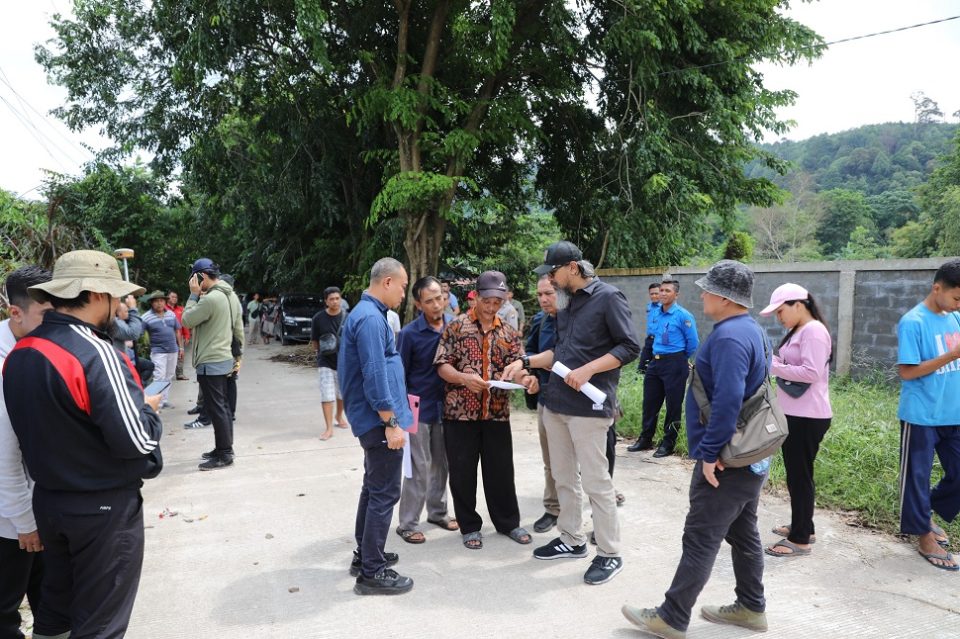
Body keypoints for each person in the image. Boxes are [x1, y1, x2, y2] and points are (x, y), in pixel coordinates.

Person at [4, 250, 163, 639]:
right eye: (114, 296)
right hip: (101, 509)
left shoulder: (21, 352)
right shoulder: (93, 351)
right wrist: (149, 409)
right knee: (100, 623)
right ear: (95, 295)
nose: (118, 306)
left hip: (51, 502)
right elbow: (137, 441)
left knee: (57, 611)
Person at [622, 259, 770, 638]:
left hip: (727, 460)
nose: (702, 294)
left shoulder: (730, 337)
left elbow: (728, 401)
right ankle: (752, 607)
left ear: (723, 297)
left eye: (707, 290)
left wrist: (709, 454)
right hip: (749, 457)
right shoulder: (750, 329)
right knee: (743, 532)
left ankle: (672, 616)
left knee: (700, 536)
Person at [504, 241, 640, 586]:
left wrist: (589, 370)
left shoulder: (609, 297)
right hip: (557, 404)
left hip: (590, 408)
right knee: (564, 478)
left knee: (596, 482)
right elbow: (560, 352)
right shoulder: (566, 304)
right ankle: (572, 539)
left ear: (573, 268)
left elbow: (629, 347)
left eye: (553, 271)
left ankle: (610, 553)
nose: (550, 278)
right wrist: (525, 361)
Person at [434, 271, 537, 551]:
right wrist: (463, 378)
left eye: (498, 302)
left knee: (501, 471)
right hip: (459, 415)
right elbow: (442, 365)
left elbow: (516, 366)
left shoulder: (508, 331)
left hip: (496, 413)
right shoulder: (456, 327)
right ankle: (469, 526)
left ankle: (507, 522)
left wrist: (525, 379)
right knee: (463, 472)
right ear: (476, 297)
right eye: (488, 300)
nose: (492, 307)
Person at [338, 257, 415, 595]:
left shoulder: (368, 314)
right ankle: (372, 572)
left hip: (372, 417)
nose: (403, 294)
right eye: (402, 286)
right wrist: (391, 422)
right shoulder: (370, 319)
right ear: (387, 282)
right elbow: (374, 375)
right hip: (377, 420)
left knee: (373, 487)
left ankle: (366, 554)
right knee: (384, 492)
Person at [759, 283, 833, 558]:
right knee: (799, 475)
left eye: (781, 311)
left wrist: (773, 365)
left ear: (798, 305)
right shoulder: (799, 330)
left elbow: (811, 372)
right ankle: (805, 526)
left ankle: (800, 539)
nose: (779, 318)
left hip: (807, 415)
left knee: (800, 477)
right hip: (797, 413)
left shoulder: (813, 331)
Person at [896, 258, 960, 572]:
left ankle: (926, 512)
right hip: (921, 415)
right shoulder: (914, 322)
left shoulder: (955, 319)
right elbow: (907, 372)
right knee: (916, 480)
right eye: (956, 298)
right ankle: (923, 534)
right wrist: (950, 354)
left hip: (954, 413)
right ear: (937, 288)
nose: (958, 305)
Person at [0, 266, 51, 639]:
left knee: (49, 602)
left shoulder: (34, 346)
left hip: (33, 507)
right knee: (5, 614)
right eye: (46, 315)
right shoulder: (6, 362)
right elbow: (3, 455)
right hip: (10, 519)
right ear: (14, 311)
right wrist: (25, 522)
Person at [395, 276, 458, 544]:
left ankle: (438, 512)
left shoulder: (454, 328)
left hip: (446, 407)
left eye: (440, 298)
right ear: (418, 304)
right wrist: (400, 413)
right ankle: (408, 523)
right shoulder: (409, 334)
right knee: (417, 467)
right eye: (429, 300)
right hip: (416, 408)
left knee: (442, 463)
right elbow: (399, 375)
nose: (436, 305)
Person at [181, 258, 244, 471]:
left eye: (195, 278)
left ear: (203, 277)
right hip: (223, 357)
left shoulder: (209, 300)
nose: (193, 281)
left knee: (217, 408)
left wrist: (193, 294)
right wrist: (238, 355)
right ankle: (223, 448)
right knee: (223, 406)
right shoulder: (229, 295)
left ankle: (225, 453)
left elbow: (187, 320)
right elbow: (238, 327)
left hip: (212, 360)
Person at [629, 278, 699, 457]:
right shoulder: (655, 312)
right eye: (661, 290)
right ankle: (645, 439)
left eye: (668, 291)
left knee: (673, 404)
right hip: (655, 361)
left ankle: (668, 443)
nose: (663, 294)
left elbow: (693, 342)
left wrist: (680, 358)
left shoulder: (683, 315)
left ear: (676, 294)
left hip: (675, 362)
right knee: (650, 402)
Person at [526, 274, 561, 533]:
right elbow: (529, 352)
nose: (543, 299)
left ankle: (595, 510)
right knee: (551, 459)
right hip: (547, 398)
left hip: (580, 401)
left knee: (588, 461)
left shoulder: (580, 320)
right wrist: (532, 374)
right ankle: (553, 507)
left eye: (548, 293)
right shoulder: (540, 321)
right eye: (539, 295)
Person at [310, 286, 348, 440]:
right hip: (325, 361)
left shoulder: (347, 317)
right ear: (326, 301)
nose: (335, 301)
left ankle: (339, 416)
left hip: (344, 362)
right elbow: (315, 341)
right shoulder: (318, 318)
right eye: (331, 299)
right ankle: (329, 428)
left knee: (342, 393)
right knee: (327, 394)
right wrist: (320, 354)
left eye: (337, 298)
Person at [141, 290, 184, 409]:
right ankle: (156, 402)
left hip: (173, 349)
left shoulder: (171, 314)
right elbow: (138, 332)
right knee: (159, 376)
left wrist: (181, 347)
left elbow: (177, 330)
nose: (159, 303)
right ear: (151, 303)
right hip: (158, 351)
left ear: (165, 302)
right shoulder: (146, 317)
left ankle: (164, 400)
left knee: (169, 376)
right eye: (156, 301)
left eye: (161, 301)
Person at [636, 282, 661, 373]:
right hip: (649, 340)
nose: (654, 296)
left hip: (660, 340)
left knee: (657, 366)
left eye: (656, 293)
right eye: (652, 294)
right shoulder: (649, 306)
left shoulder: (664, 307)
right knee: (642, 367)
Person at [167, 290, 190, 380]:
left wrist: (187, 335)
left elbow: (185, 323)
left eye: (176, 297)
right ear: (167, 297)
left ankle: (180, 373)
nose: (174, 299)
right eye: (172, 297)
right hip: (168, 336)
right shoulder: (164, 309)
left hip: (179, 335)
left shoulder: (181, 309)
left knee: (181, 354)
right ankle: (166, 374)